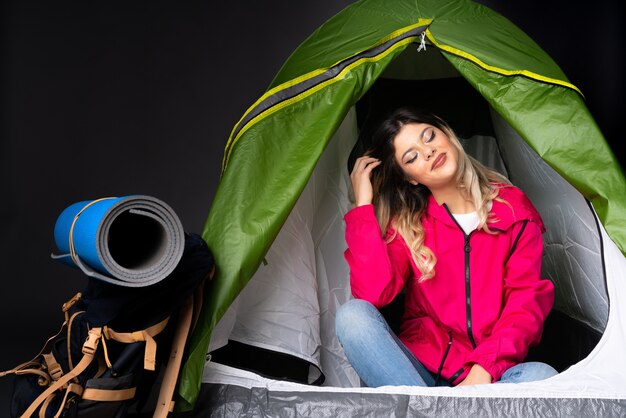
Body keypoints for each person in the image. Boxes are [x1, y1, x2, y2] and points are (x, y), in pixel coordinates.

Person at [335, 107, 557, 387]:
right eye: (412, 156)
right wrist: (363, 206)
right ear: (410, 178)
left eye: (429, 136)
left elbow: (525, 304)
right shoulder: (409, 223)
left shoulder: (514, 210)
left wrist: (483, 368)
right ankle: (431, 410)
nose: (427, 152)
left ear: (447, 135)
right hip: (421, 374)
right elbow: (373, 294)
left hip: (490, 374)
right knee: (352, 317)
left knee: (542, 377)